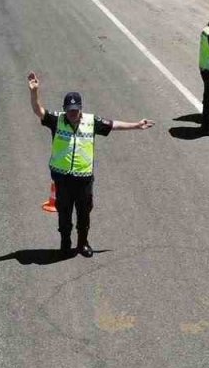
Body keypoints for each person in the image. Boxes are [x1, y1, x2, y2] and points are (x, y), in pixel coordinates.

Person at [28, 72, 154, 257]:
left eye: (76, 110)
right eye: (69, 110)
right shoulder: (57, 119)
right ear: (65, 109)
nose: (73, 113)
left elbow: (113, 125)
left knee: (84, 212)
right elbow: (38, 110)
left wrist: (136, 125)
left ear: (80, 108)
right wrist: (34, 91)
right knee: (64, 212)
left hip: (84, 178)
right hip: (62, 177)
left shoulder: (91, 121)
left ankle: (82, 243)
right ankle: (65, 242)